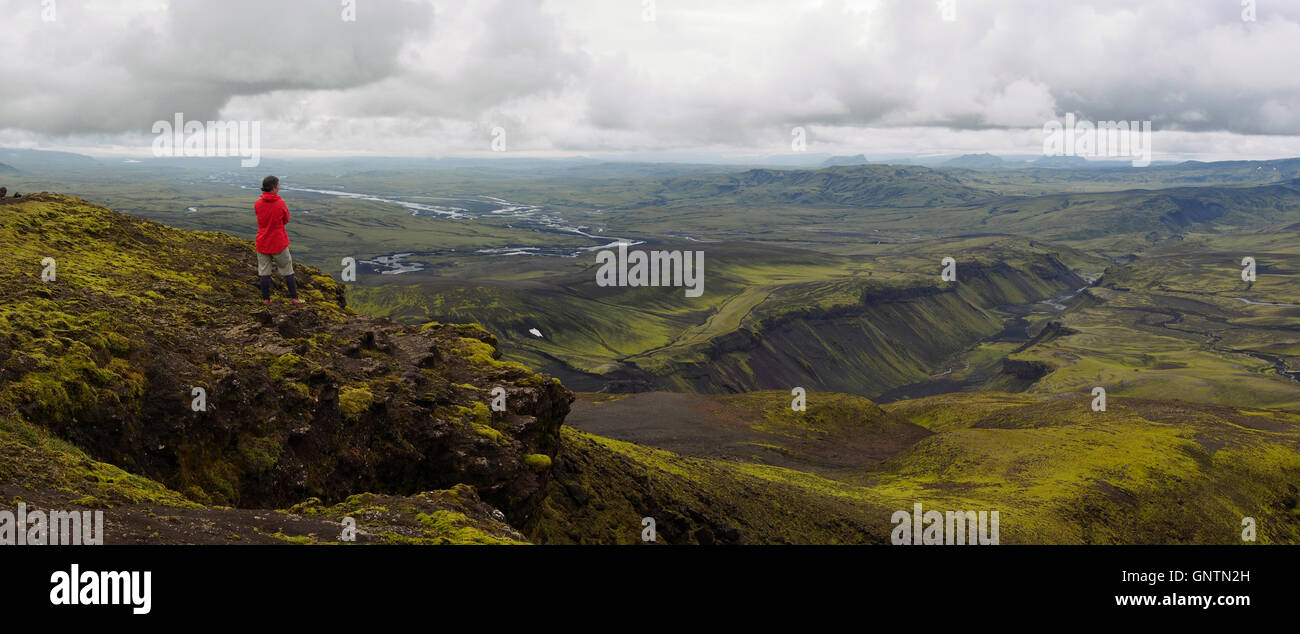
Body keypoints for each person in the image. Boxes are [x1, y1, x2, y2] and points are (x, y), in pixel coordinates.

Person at [254, 175, 303, 305]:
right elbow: (285, 219)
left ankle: (266, 300)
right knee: (287, 270)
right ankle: (295, 299)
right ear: (274, 188)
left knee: (264, 271)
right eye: (278, 185)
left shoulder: (258, 203)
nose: (279, 187)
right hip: (278, 242)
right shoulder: (280, 203)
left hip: (262, 242)